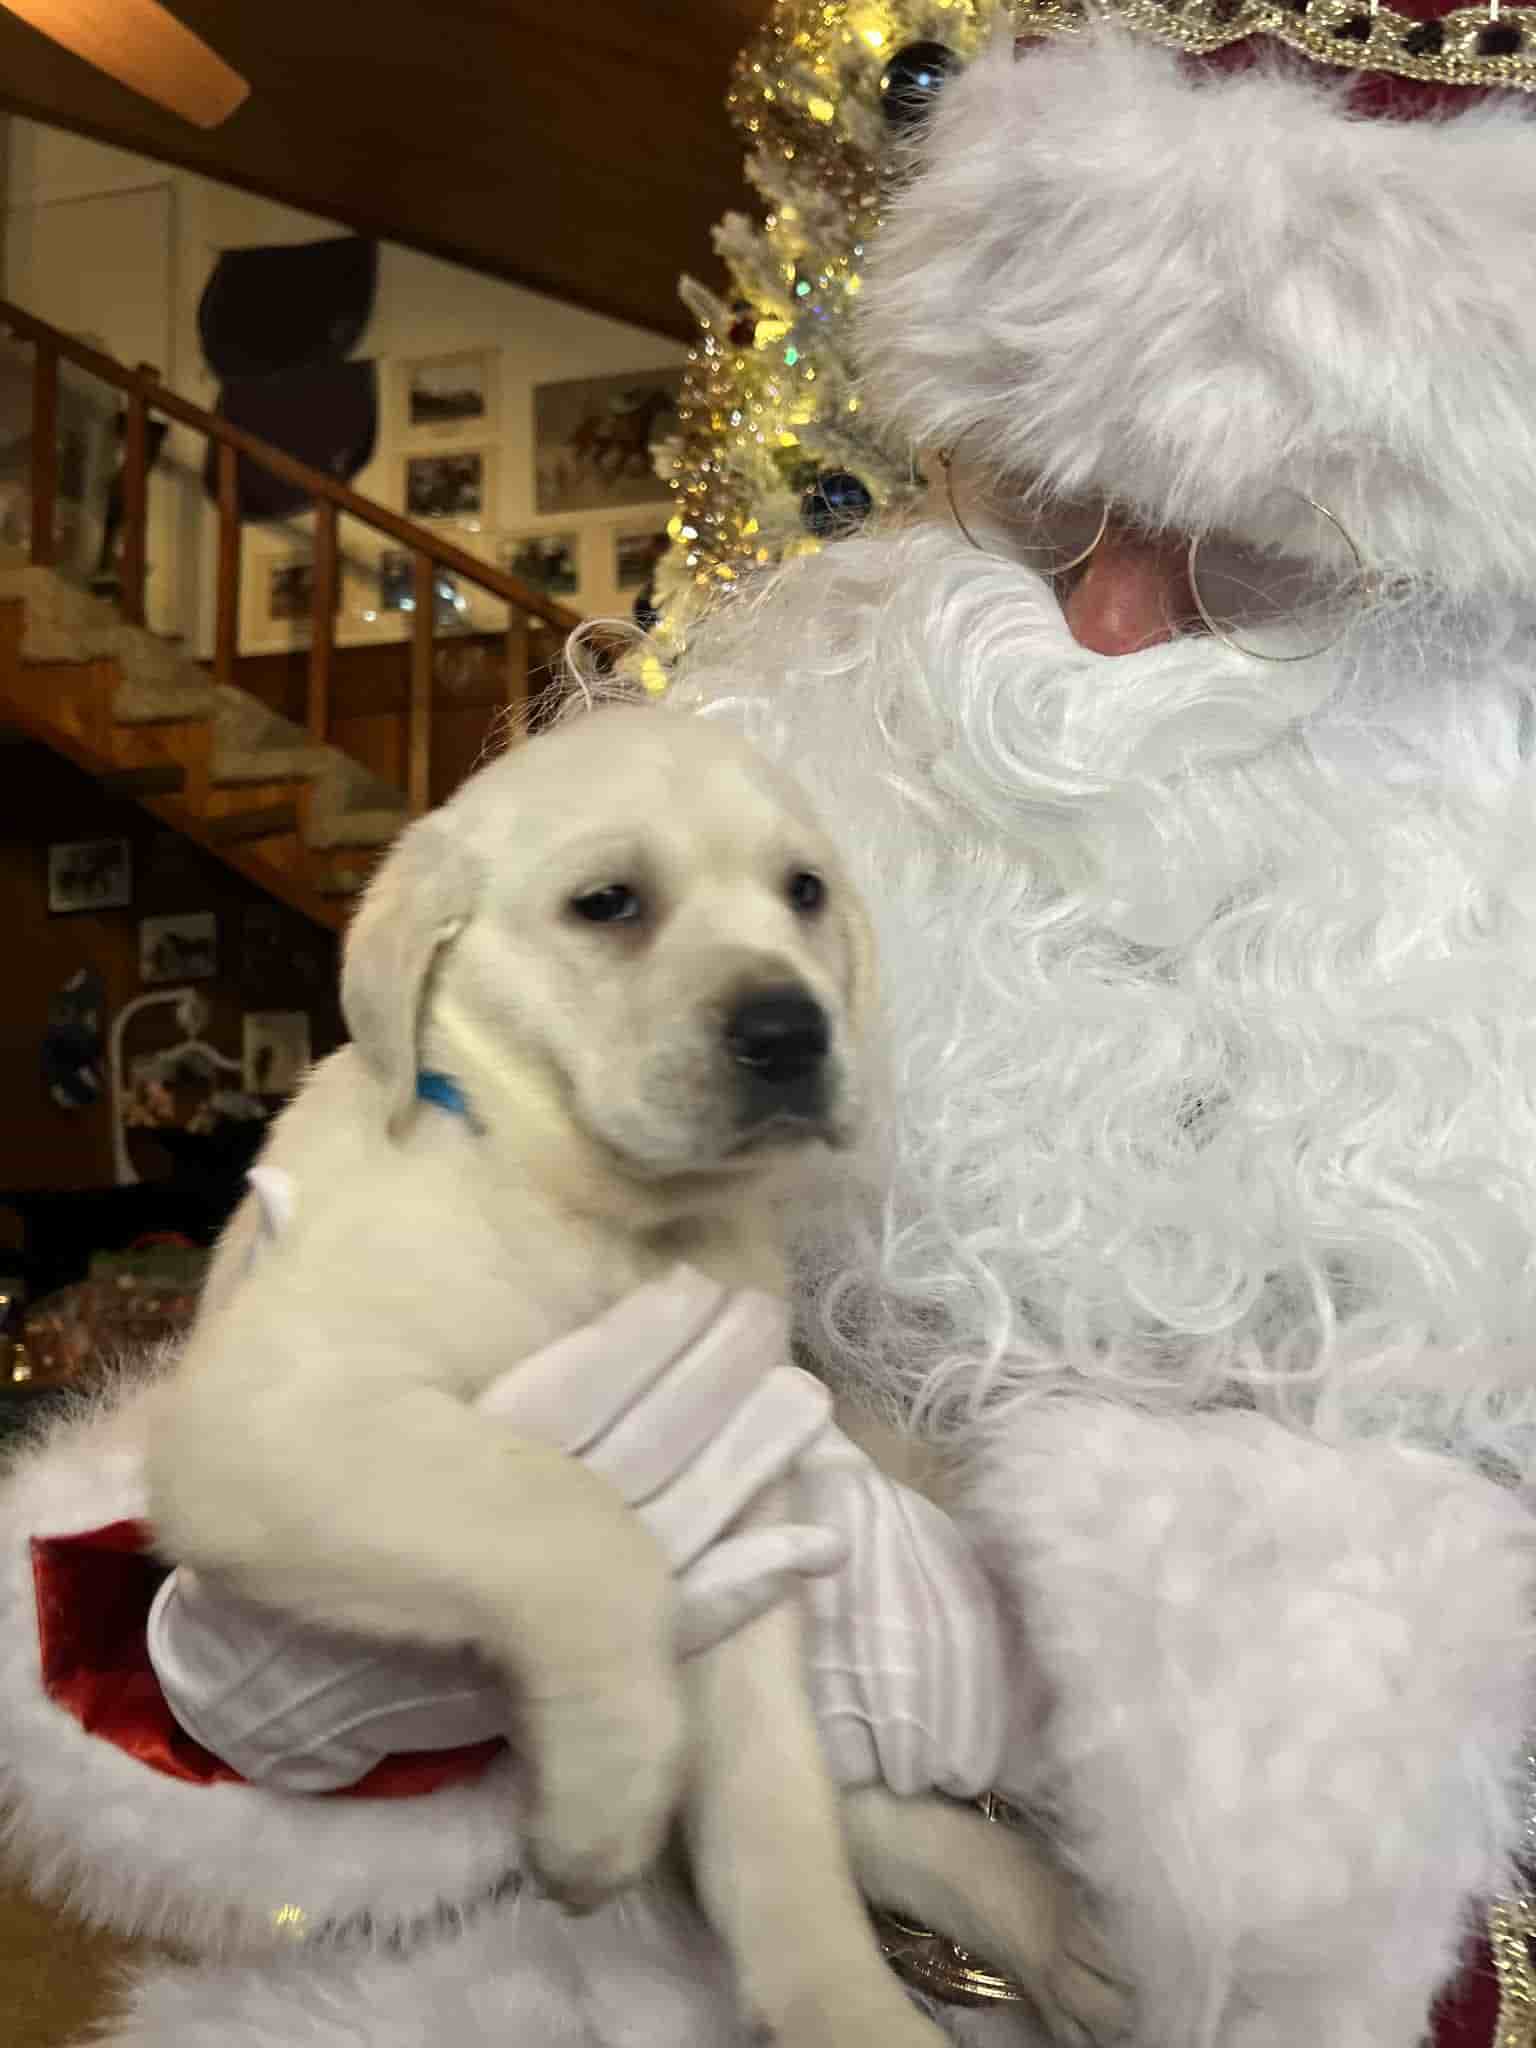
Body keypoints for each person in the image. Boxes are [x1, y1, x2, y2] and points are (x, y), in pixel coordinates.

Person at [6, 6, 1536, 2044]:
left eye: (1241, 555)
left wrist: (1087, 1670)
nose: (1087, 628)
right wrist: (254, 1654)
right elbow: (191, 1579)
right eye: (1033, 495)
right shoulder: (740, 822)